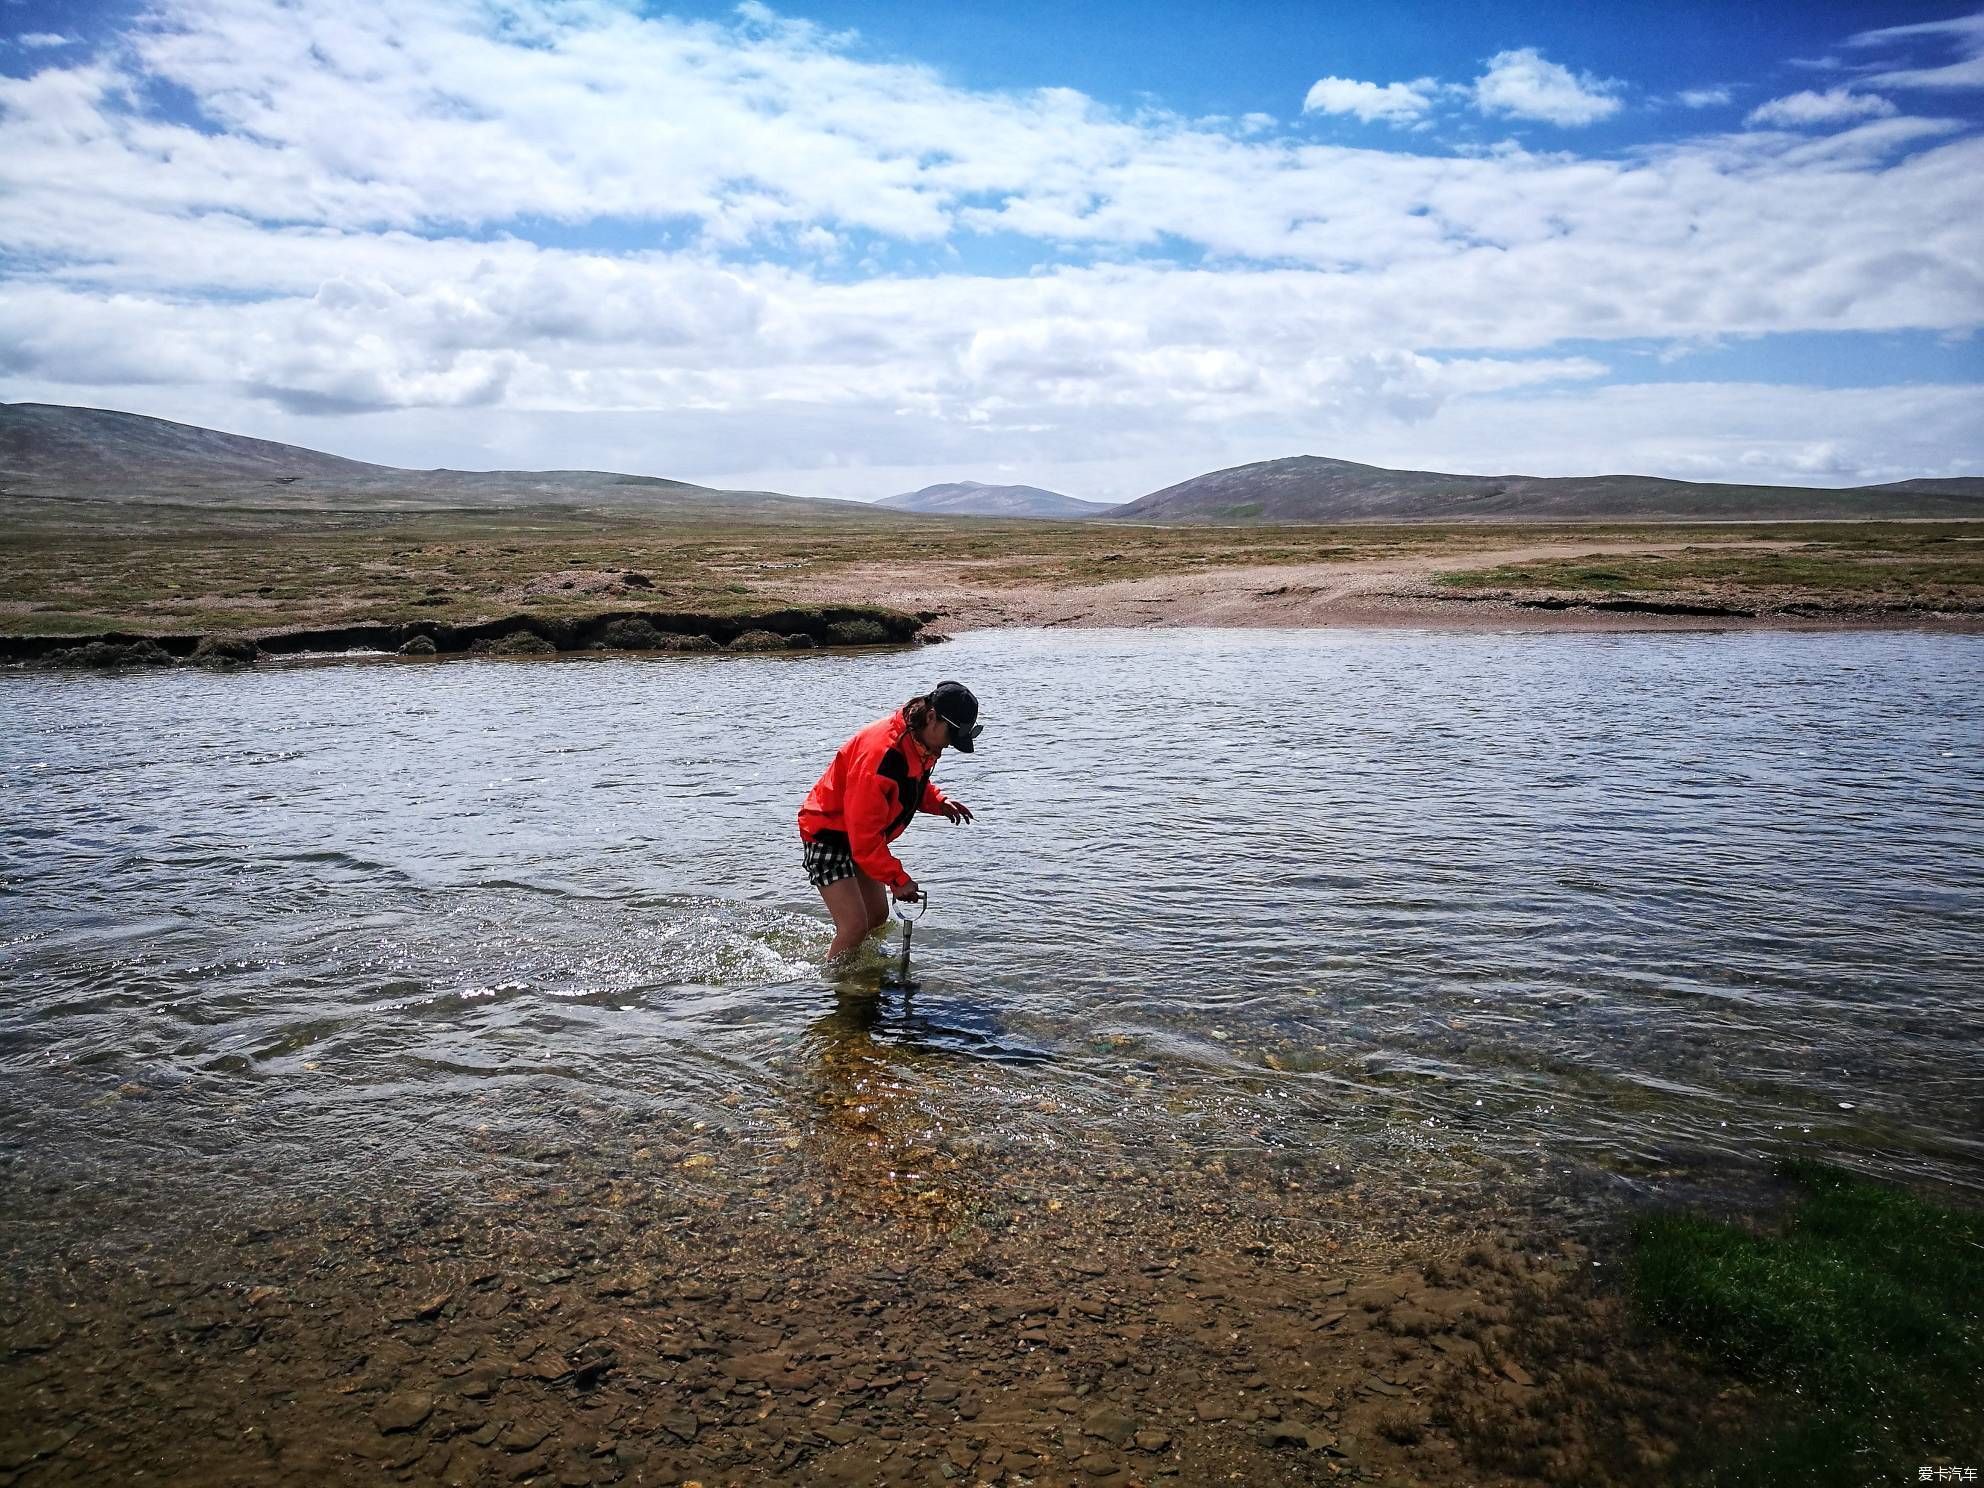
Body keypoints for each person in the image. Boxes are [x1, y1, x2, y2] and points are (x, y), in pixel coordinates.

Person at [798, 681, 981, 963]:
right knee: (855, 925)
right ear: (931, 717)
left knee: (876, 916)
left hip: (858, 835)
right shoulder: (881, 756)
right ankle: (833, 987)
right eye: (951, 736)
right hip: (828, 833)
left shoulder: (918, 740)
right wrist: (898, 879)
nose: (948, 746)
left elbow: (909, 785)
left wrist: (938, 802)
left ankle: (859, 967)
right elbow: (864, 838)